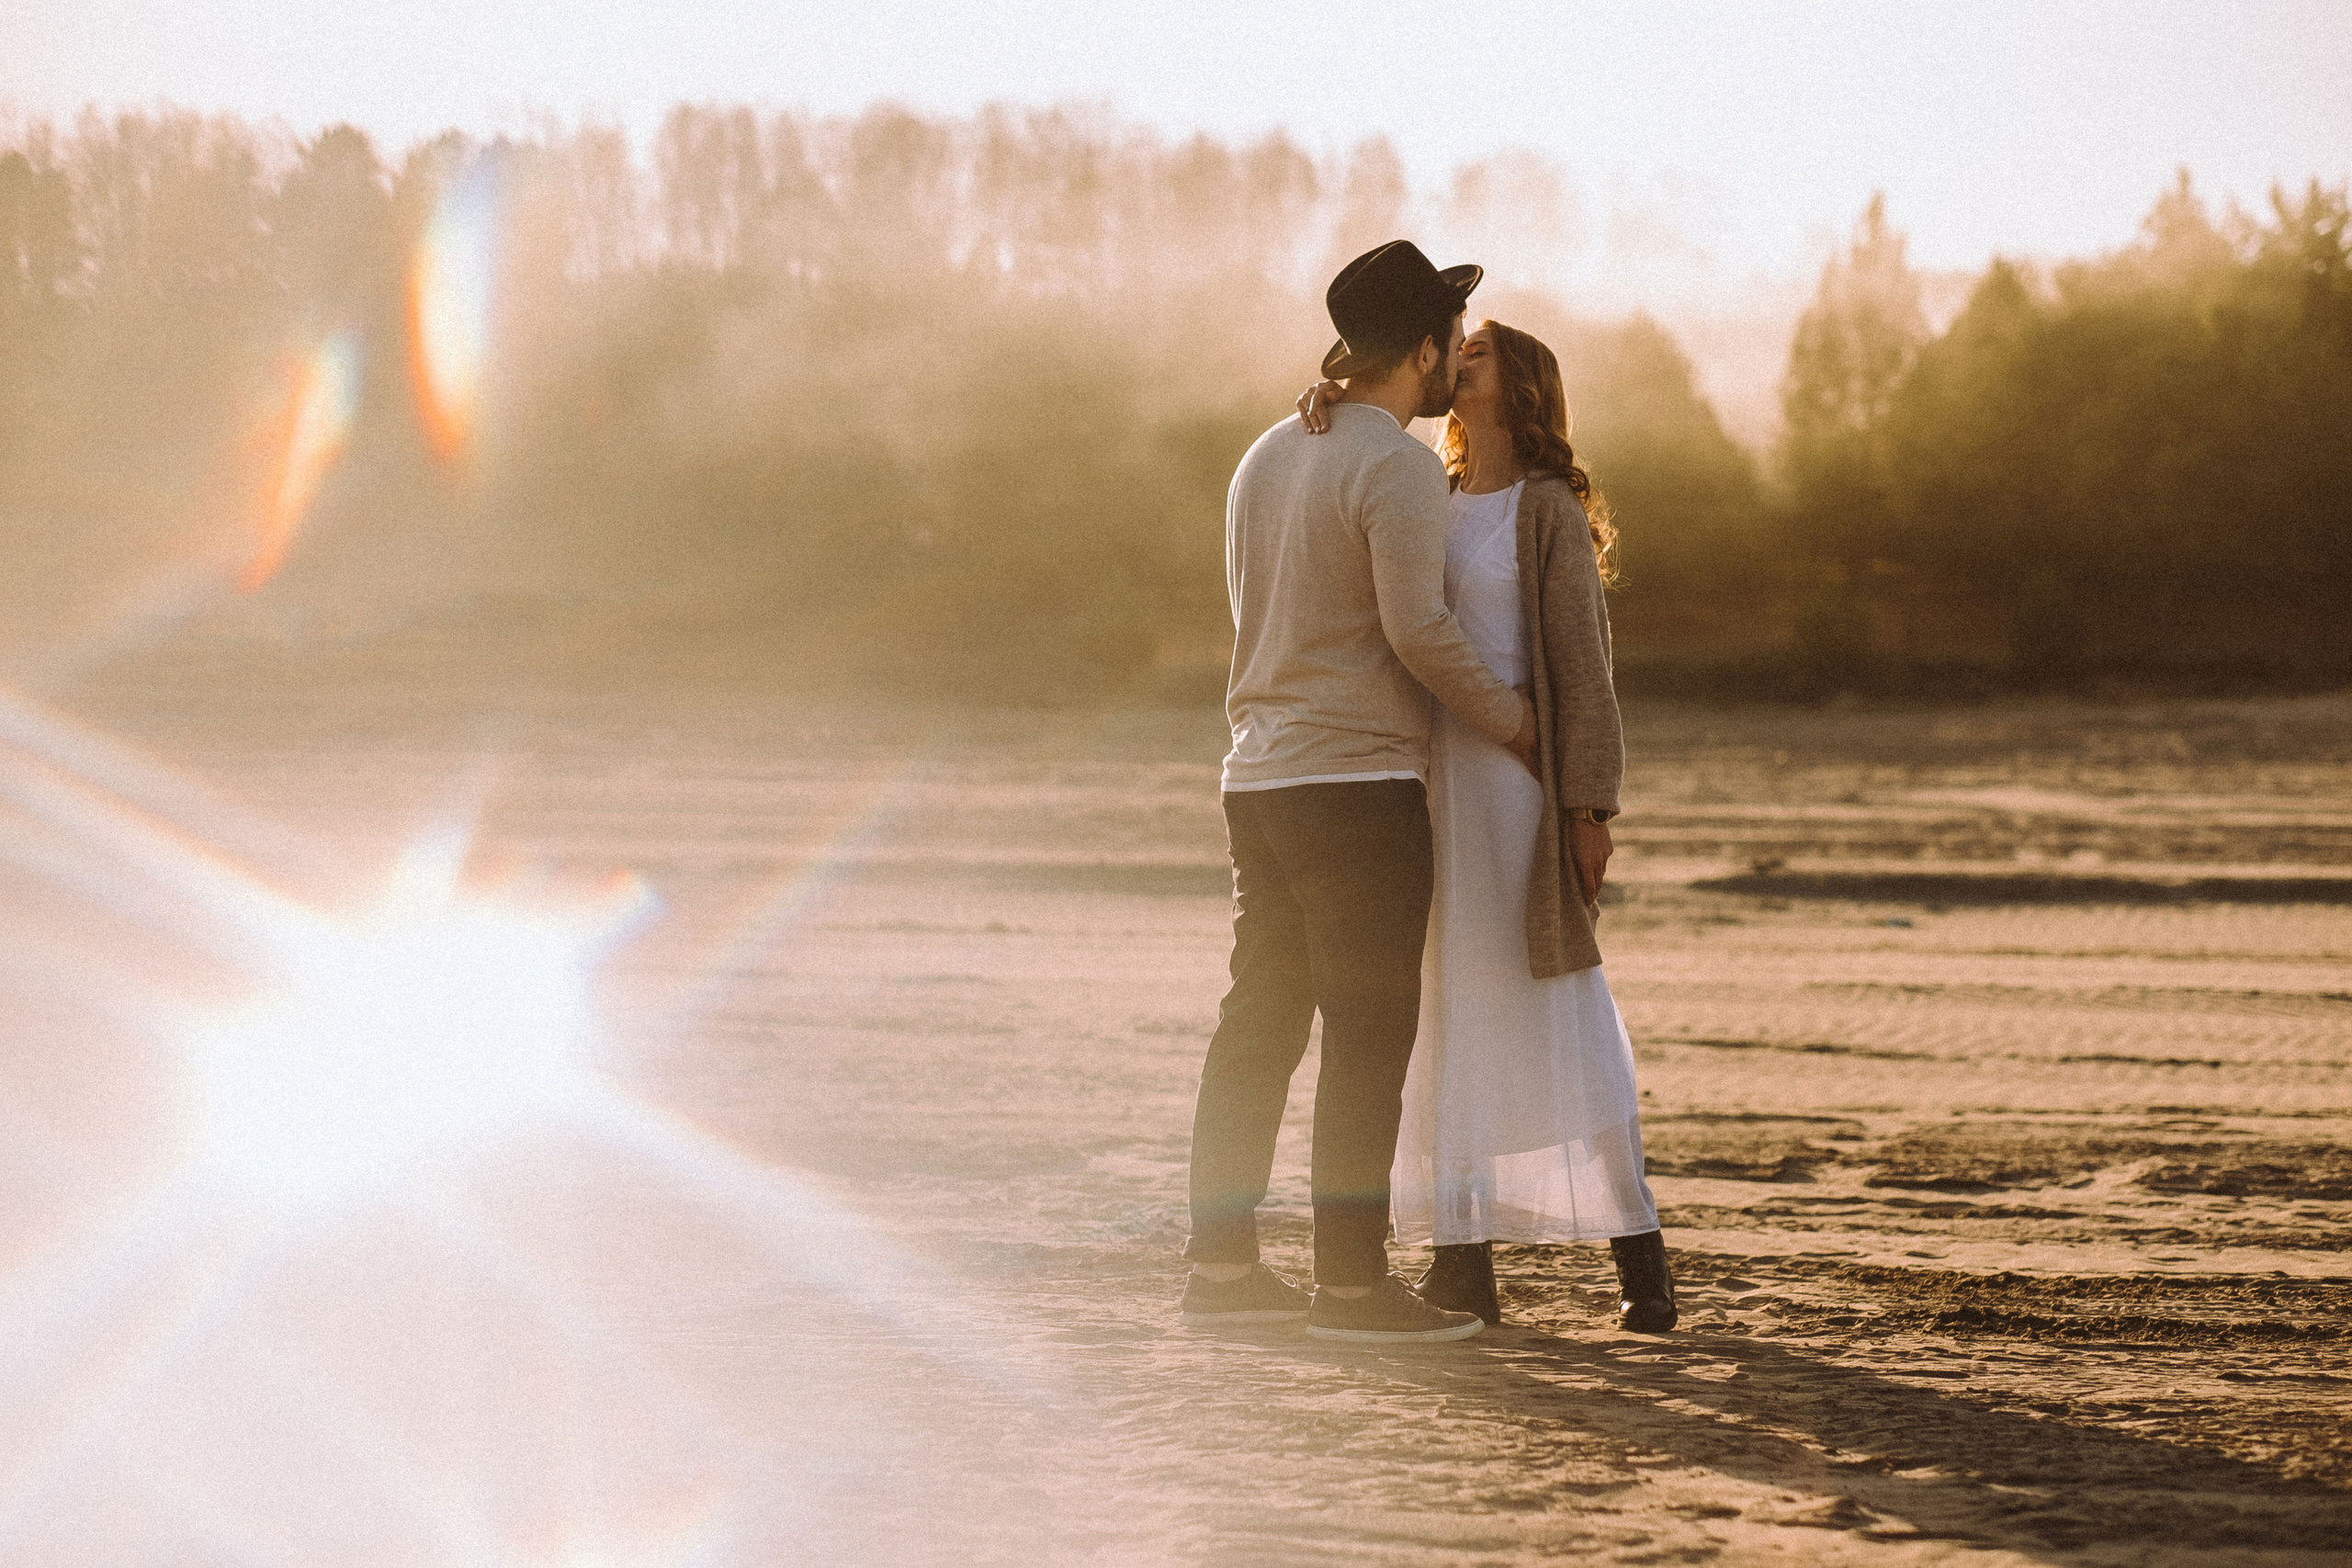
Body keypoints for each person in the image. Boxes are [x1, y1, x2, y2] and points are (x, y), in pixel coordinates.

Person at [1180, 242, 1539, 1344]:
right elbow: (1418, 629)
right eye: (1448, 342)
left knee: (1258, 1027)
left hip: (1260, 779)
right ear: (1424, 349)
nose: (1449, 371)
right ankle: (1349, 1288)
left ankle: (1223, 1271)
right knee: (1366, 1035)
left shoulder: (1266, 452)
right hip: (1358, 786)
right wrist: (1526, 728)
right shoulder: (1387, 463)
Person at [1294, 320, 1677, 1334]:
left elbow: (1584, 673)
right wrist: (1325, 405)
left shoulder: (1546, 510)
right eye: (1455, 349)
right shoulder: (1429, 490)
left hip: (1523, 780)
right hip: (1434, 781)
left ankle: (1639, 1252)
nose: (1458, 357)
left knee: (1560, 1000)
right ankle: (1462, 1265)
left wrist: (1589, 806)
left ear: (1521, 387)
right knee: (1446, 1009)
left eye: (1482, 353)